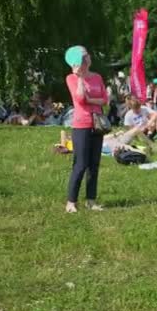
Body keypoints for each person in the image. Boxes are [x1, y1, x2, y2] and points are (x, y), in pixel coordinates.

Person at [64, 45, 108, 213]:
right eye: (83, 56)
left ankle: (91, 200)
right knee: (80, 164)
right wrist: (81, 78)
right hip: (81, 125)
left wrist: (92, 99)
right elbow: (81, 99)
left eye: (87, 54)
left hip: (97, 124)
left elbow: (105, 99)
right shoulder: (71, 78)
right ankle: (71, 202)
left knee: (94, 165)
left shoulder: (97, 77)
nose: (86, 57)